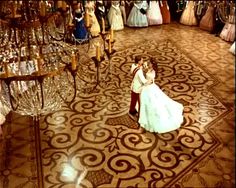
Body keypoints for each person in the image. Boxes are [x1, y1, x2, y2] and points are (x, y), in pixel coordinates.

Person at [138, 58, 184, 133]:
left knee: (151, 104)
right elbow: (144, 71)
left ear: (152, 65)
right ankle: (143, 123)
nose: (148, 64)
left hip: (149, 88)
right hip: (145, 88)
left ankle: (143, 125)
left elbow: (150, 81)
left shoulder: (153, 72)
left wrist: (145, 81)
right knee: (144, 104)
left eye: (150, 64)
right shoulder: (148, 68)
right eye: (148, 63)